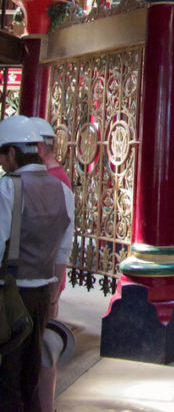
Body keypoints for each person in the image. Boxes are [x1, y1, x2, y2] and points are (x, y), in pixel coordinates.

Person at [0, 114, 74, 411]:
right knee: (32, 371)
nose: (3, 163)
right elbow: (62, 251)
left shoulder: (8, 189)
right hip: (43, 293)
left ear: (13, 152)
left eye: (2, 155)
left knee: (8, 373)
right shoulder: (63, 191)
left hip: (10, 294)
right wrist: (54, 293)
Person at [29, 117, 72, 412]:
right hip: (46, 277)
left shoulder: (53, 182)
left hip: (39, 279)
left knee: (40, 347)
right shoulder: (55, 179)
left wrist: (56, 286)